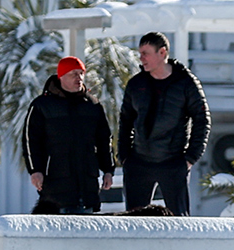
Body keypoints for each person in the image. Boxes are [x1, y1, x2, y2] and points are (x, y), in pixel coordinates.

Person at [119, 31, 210, 215]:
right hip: (139, 162)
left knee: (179, 220)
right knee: (133, 221)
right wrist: (125, 157)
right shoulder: (136, 84)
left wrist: (190, 158)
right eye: (140, 53)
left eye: (146, 53)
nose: (141, 58)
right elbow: (125, 120)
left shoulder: (186, 83)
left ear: (162, 53)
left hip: (173, 162)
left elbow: (202, 120)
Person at [21, 55, 114, 215]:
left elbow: (104, 140)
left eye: (81, 73)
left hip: (87, 182)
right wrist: (35, 170)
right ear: (61, 76)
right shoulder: (41, 106)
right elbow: (30, 140)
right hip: (55, 181)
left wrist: (108, 170)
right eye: (73, 74)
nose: (79, 78)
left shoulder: (93, 105)